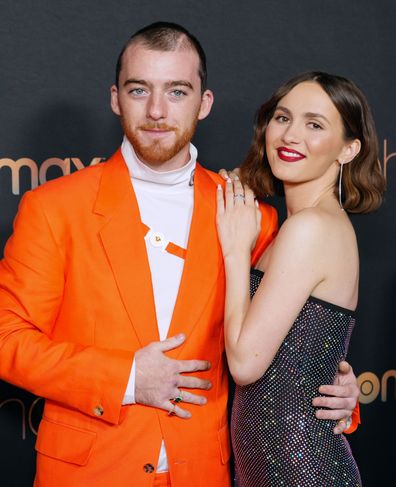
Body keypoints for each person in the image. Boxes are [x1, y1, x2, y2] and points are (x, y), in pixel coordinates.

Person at [0, 23, 359, 487]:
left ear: (203, 103)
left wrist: (341, 398)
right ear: (115, 99)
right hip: (90, 472)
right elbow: (7, 338)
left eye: (176, 91)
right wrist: (127, 377)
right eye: (138, 90)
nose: (156, 111)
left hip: (206, 472)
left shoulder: (249, 215)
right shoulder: (53, 208)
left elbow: (286, 351)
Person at [216, 71, 385, 486]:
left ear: (348, 150)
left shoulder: (310, 228)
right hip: (272, 468)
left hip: (302, 469)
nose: (290, 135)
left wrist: (236, 251)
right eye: (282, 117)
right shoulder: (295, 227)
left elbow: (244, 364)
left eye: (314, 124)